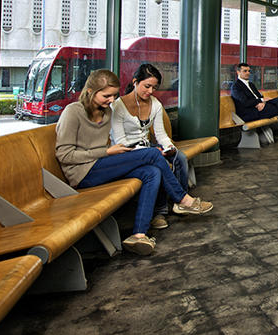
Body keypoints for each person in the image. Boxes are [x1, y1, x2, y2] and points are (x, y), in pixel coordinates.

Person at [55, 69, 213, 256]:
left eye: (114, 95)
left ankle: (138, 234)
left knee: (152, 172)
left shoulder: (106, 112)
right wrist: (106, 151)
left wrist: (108, 153)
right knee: (153, 155)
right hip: (81, 174)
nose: (112, 100)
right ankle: (183, 199)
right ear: (90, 91)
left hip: (101, 165)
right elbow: (64, 155)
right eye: (106, 96)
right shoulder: (73, 112)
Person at [111, 63, 190, 231]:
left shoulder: (155, 104)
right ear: (135, 82)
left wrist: (168, 146)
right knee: (157, 163)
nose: (151, 91)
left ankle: (180, 202)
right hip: (126, 153)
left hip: (149, 148)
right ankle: (159, 212)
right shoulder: (118, 106)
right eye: (147, 86)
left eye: (154, 87)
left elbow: (160, 134)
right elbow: (120, 142)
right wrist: (153, 152)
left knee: (179, 157)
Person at [231, 62, 278, 146]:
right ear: (238, 72)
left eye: (249, 71)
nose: (248, 73)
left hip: (259, 107)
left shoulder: (251, 84)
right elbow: (244, 102)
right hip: (248, 112)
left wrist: (262, 101)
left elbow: (259, 96)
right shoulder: (236, 86)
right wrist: (260, 101)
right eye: (245, 71)